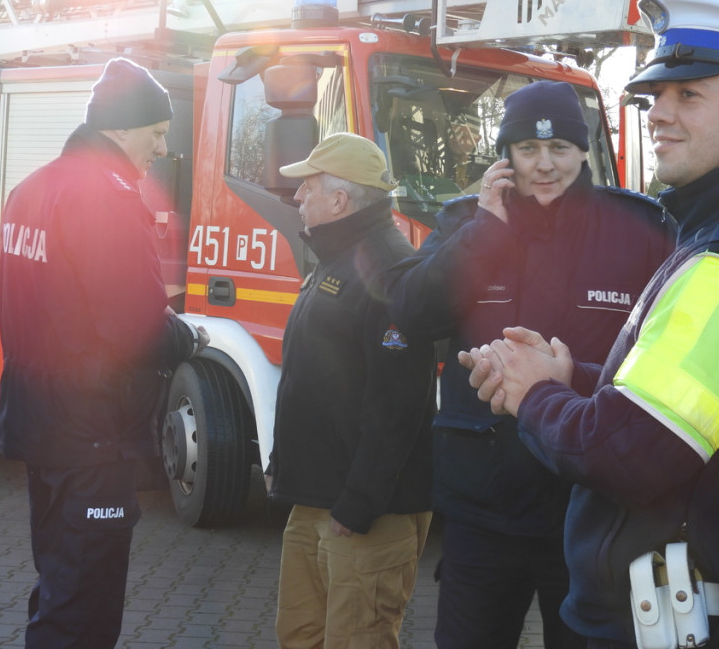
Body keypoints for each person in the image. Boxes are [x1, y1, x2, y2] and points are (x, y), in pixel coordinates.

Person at [463, 0, 719, 649]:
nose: (658, 114)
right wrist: (572, 375)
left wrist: (534, 393)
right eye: (654, 96)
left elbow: (628, 455)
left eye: (688, 95)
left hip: (669, 624)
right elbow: (688, 401)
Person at [384, 80, 676, 649]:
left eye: (561, 149)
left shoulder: (641, 228)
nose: (545, 165)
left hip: (590, 506)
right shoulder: (466, 221)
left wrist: (569, 376)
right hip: (483, 507)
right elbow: (411, 315)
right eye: (527, 150)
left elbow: (662, 352)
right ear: (505, 155)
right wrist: (484, 235)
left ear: (584, 150)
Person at [0, 57, 209, 649]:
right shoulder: (108, 196)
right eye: (156, 133)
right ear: (120, 129)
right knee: (82, 616)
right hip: (93, 437)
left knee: (59, 585)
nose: (162, 147)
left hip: (44, 428)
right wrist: (188, 336)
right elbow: (136, 328)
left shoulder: (31, 189)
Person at [267, 132, 437, 649]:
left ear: (340, 200)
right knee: (300, 636)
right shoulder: (337, 256)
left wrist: (358, 504)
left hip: (364, 515)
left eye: (309, 187)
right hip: (316, 500)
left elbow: (399, 406)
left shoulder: (391, 268)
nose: (298, 197)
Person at [444, 112, 486, 191]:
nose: (456, 139)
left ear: (477, 139)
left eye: (462, 135)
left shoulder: (485, 171)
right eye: (452, 134)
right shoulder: (440, 163)